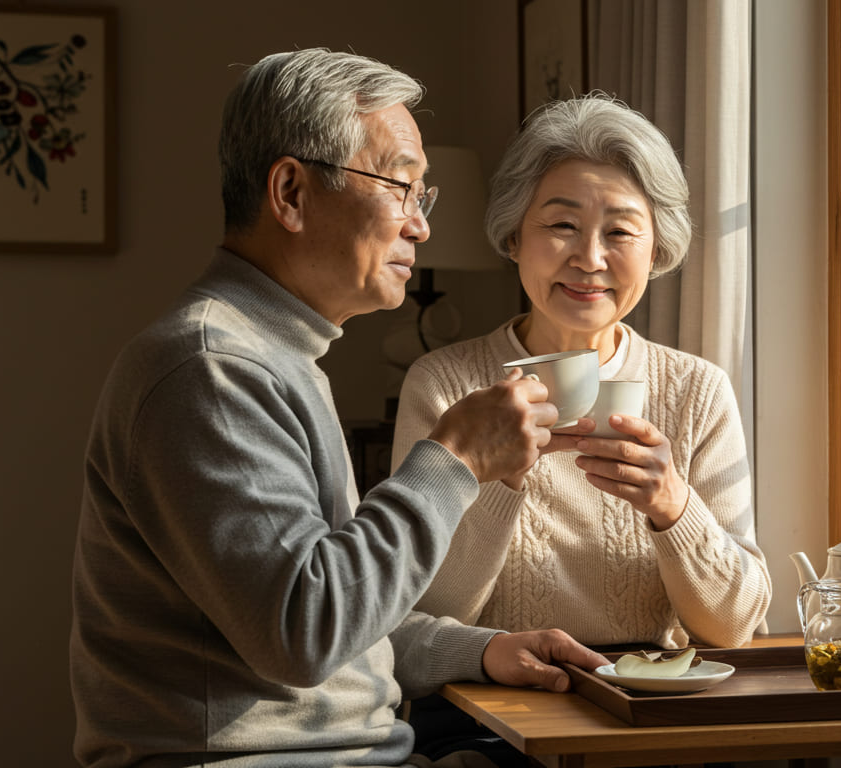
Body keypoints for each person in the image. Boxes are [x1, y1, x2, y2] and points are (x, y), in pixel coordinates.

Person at [68, 49, 607, 768]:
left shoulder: (279, 357)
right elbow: (305, 629)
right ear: (290, 192)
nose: (420, 225)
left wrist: (482, 650)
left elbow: (342, 610)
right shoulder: (211, 369)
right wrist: (453, 462)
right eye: (402, 186)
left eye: (426, 196)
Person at [390, 94, 771, 756]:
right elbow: (416, 614)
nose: (590, 258)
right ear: (514, 236)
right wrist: (499, 477)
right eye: (562, 226)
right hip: (486, 717)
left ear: (656, 250)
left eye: (621, 232)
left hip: (647, 719)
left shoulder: (696, 391)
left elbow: (734, 627)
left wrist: (673, 508)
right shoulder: (445, 384)